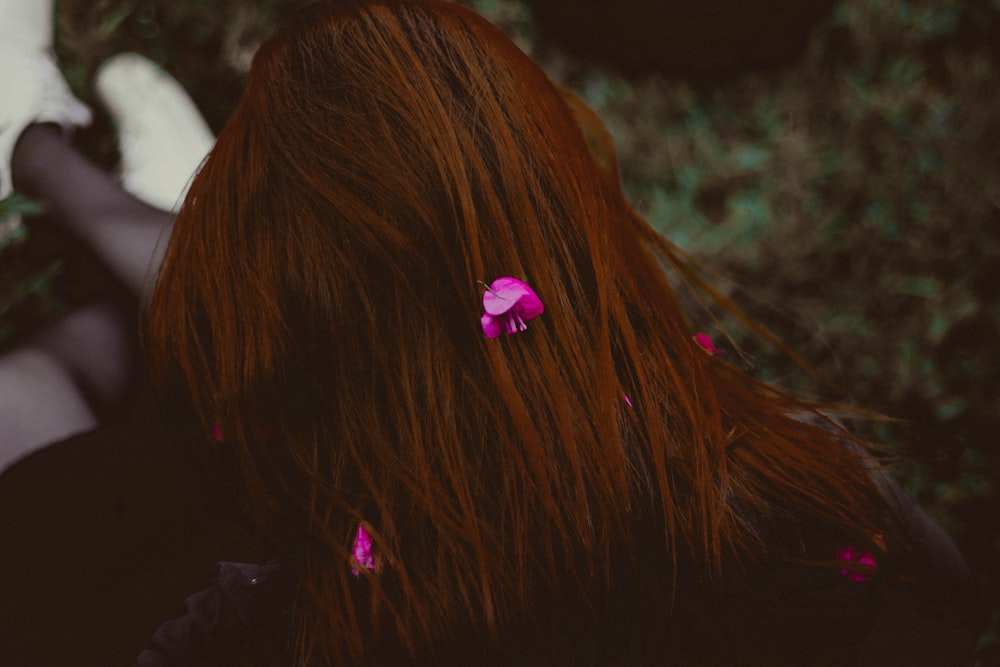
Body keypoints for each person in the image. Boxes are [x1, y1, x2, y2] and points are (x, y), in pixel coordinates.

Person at [1, 0, 980, 665]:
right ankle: (78, 178)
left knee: (29, 389)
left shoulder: (264, 620)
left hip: (225, 537)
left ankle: (46, 157)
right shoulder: (793, 477)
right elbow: (958, 602)